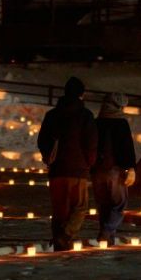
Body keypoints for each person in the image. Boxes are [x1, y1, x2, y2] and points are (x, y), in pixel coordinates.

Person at [36, 76, 98, 251]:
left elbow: (42, 140)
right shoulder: (85, 116)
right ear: (81, 94)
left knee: (60, 209)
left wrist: (48, 156)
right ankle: (65, 236)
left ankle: (59, 243)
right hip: (77, 170)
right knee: (79, 207)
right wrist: (89, 163)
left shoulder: (52, 115)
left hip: (56, 170)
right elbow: (91, 143)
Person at [91, 92, 136, 245]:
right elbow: (127, 147)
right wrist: (130, 167)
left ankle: (108, 239)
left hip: (97, 170)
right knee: (118, 203)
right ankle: (107, 231)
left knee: (104, 205)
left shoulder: (97, 123)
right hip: (115, 170)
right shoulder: (121, 123)